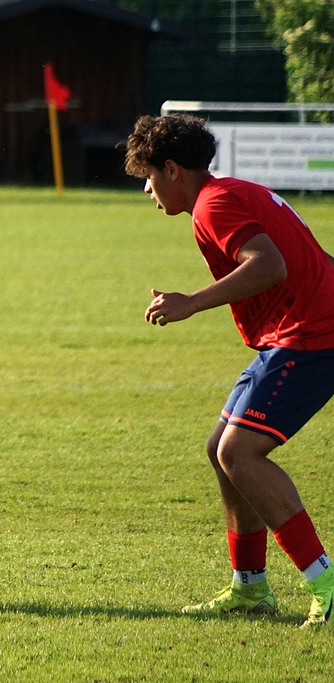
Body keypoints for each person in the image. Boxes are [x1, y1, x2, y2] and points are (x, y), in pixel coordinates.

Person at [125, 113, 334, 628]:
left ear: (172, 170)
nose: (148, 190)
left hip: (311, 336)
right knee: (220, 450)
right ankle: (250, 588)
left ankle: (325, 581)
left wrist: (191, 302)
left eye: (148, 177)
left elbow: (269, 264)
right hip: (293, 334)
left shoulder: (212, 205)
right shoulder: (232, 191)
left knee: (239, 452)